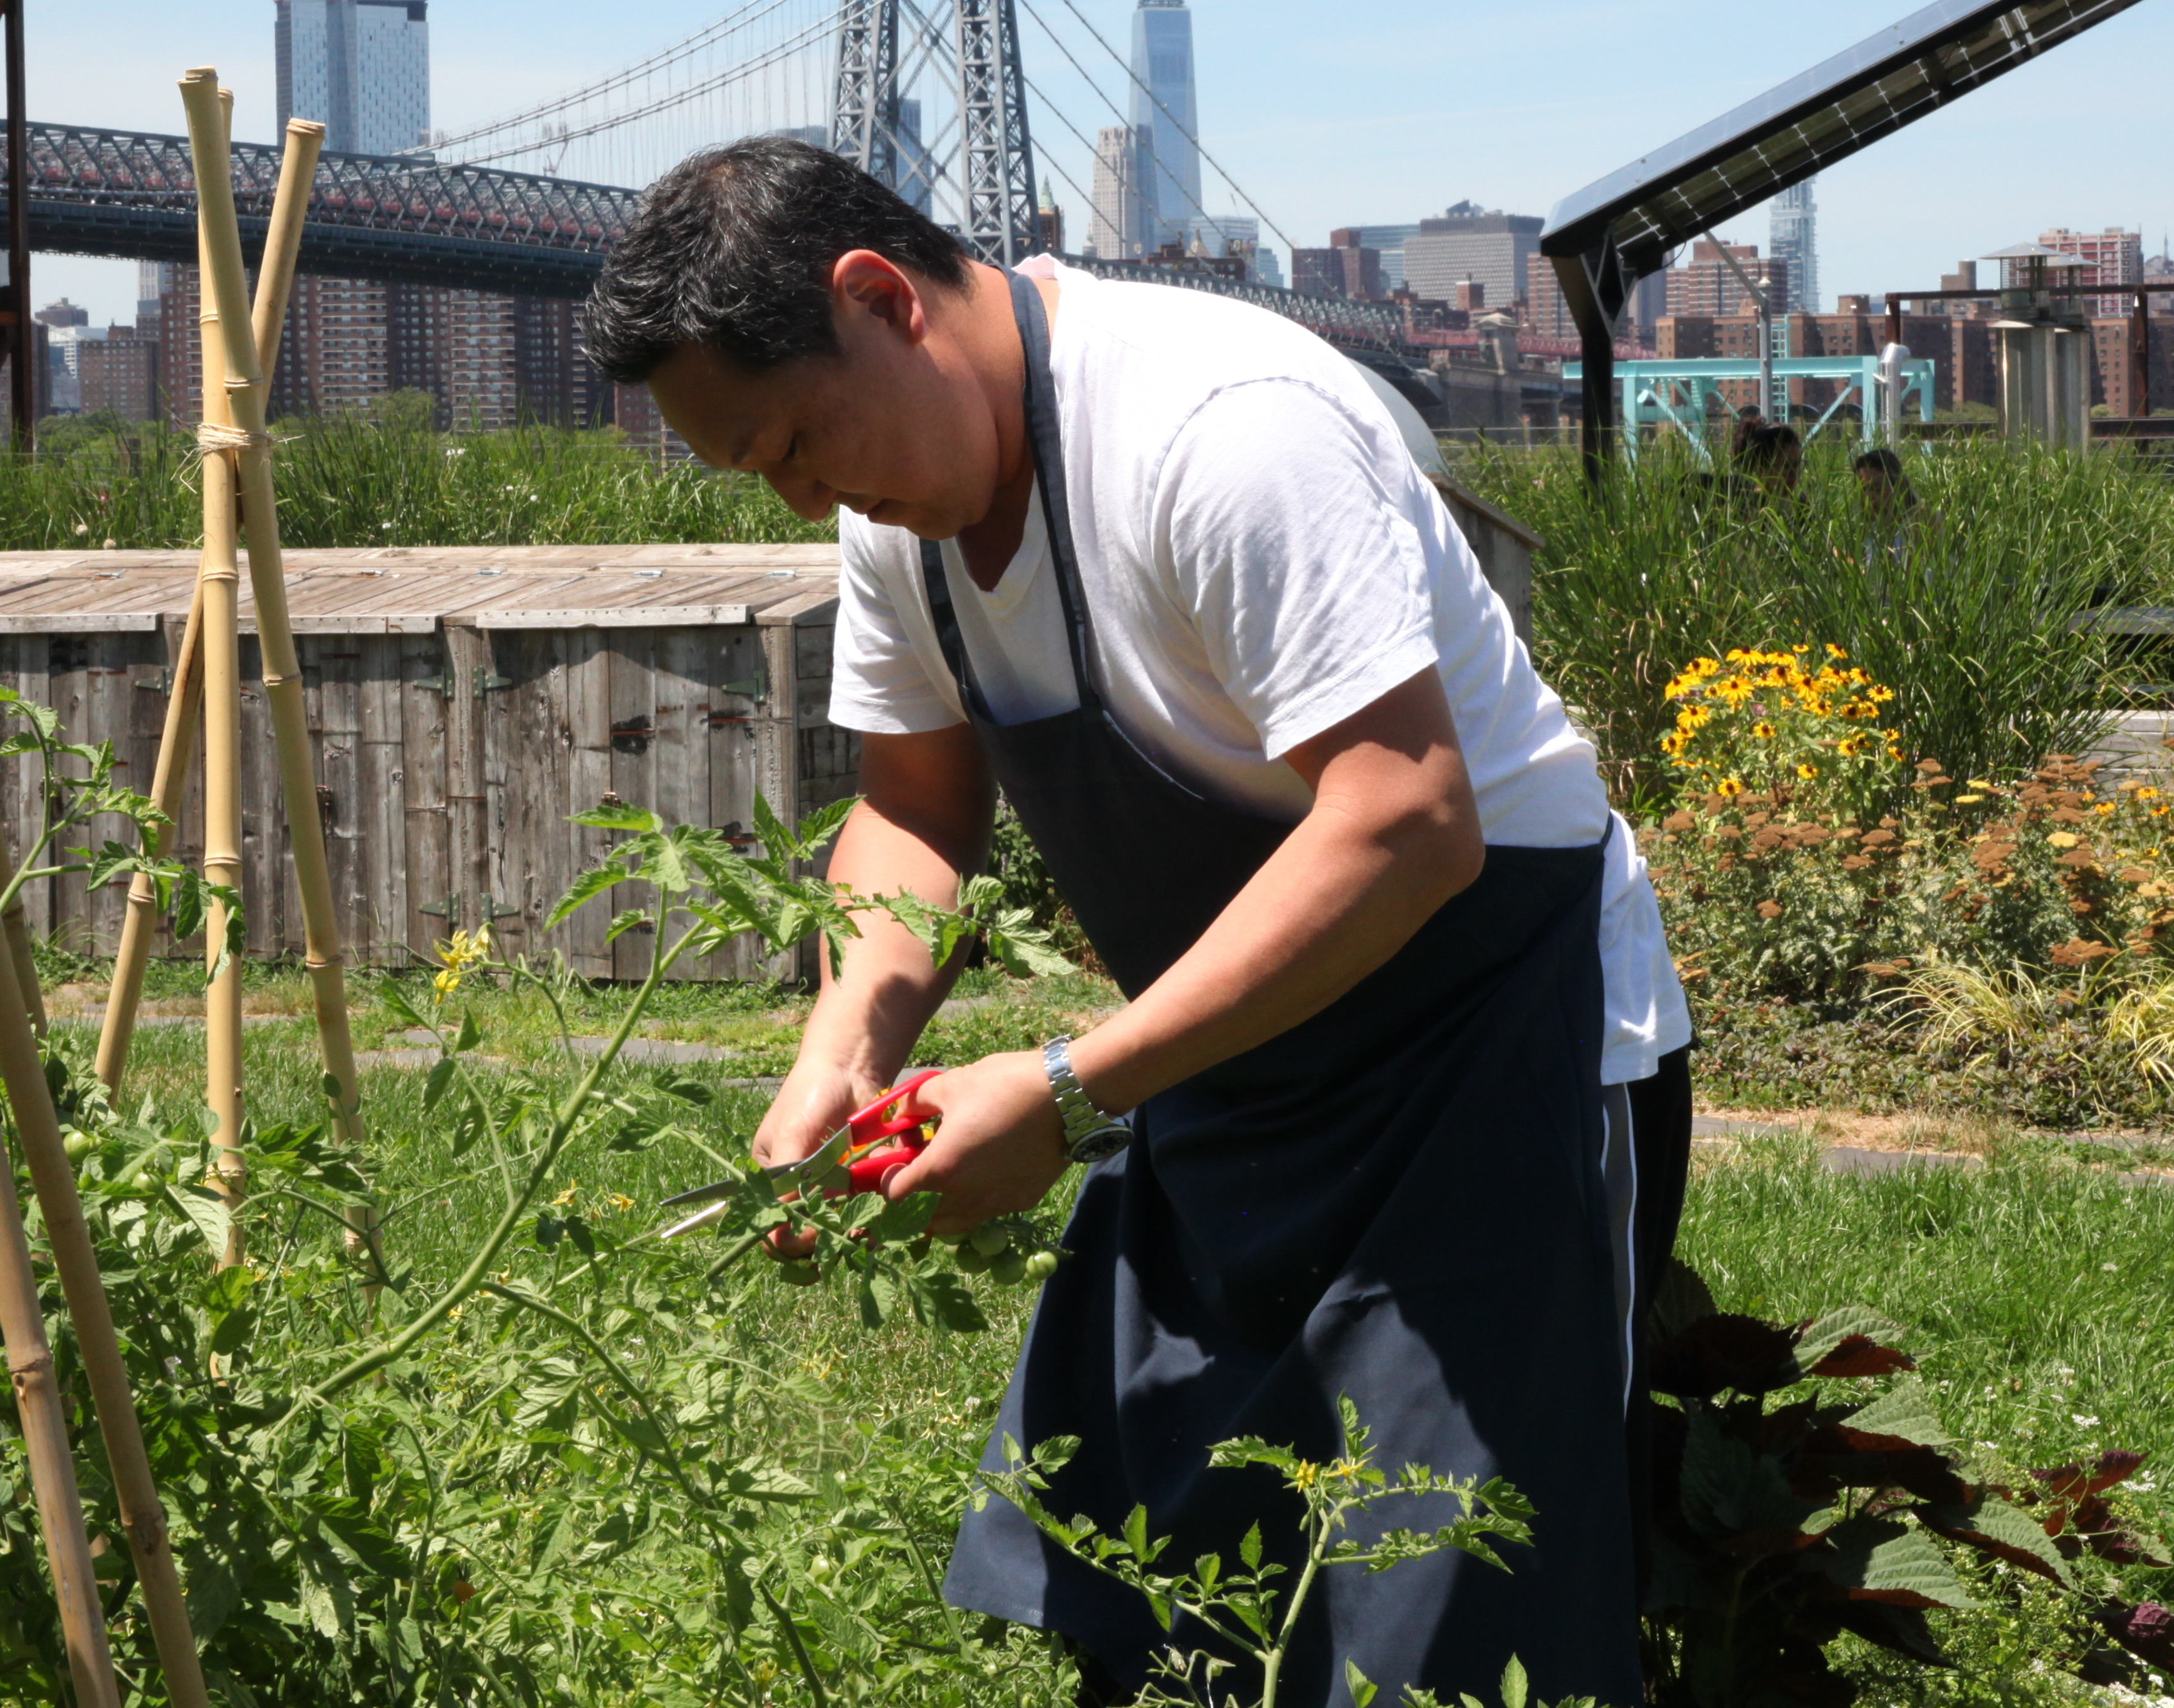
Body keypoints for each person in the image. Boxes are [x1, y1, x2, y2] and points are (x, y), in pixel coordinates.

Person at [577, 140, 1690, 1705]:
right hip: (1232, 1053)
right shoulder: (898, 515)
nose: (806, 495)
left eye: (796, 445)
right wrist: (847, 1042)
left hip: (1494, 1050)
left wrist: (1067, 1090)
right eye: (763, 473)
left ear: (880, 298)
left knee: (1445, 1621)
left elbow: (1404, 821)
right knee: (1177, 1615)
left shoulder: (1216, 434)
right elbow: (912, 807)